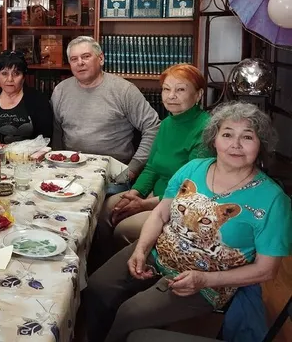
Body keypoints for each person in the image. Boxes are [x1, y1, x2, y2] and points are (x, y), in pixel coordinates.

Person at [84, 102, 292, 342]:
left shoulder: (273, 200)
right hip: (158, 251)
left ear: (261, 145)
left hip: (207, 280)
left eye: (247, 137)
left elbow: (266, 269)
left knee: (130, 314)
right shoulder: (193, 168)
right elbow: (160, 214)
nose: (235, 144)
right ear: (214, 140)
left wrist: (205, 280)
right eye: (227, 134)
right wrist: (141, 249)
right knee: (97, 288)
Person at [99, 64, 210, 248]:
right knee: (105, 209)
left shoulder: (205, 129)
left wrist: (144, 204)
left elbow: (191, 189)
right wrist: (134, 194)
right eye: (166, 89)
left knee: (123, 229)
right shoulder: (166, 124)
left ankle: (136, 262)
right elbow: (151, 167)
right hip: (155, 194)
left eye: (180, 90)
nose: (171, 96)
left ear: (198, 95)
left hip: (181, 204)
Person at [51, 36, 160, 180]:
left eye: (86, 56)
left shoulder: (124, 90)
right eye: (74, 59)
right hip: (71, 170)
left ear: (101, 59)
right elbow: (57, 132)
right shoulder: (60, 91)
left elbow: (153, 127)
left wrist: (133, 168)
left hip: (114, 174)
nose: (80, 63)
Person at [0, 50, 53, 144]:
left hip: (28, 153)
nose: (10, 79)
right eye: (4, 74)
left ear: (23, 77)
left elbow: (45, 139)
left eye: (16, 74)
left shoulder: (38, 100)